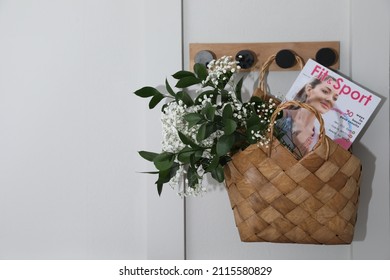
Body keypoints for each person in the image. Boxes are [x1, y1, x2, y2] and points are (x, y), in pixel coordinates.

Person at [275, 76, 338, 159]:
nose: (330, 99)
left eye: (335, 98)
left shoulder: (319, 140)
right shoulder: (281, 115)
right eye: (325, 91)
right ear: (309, 90)